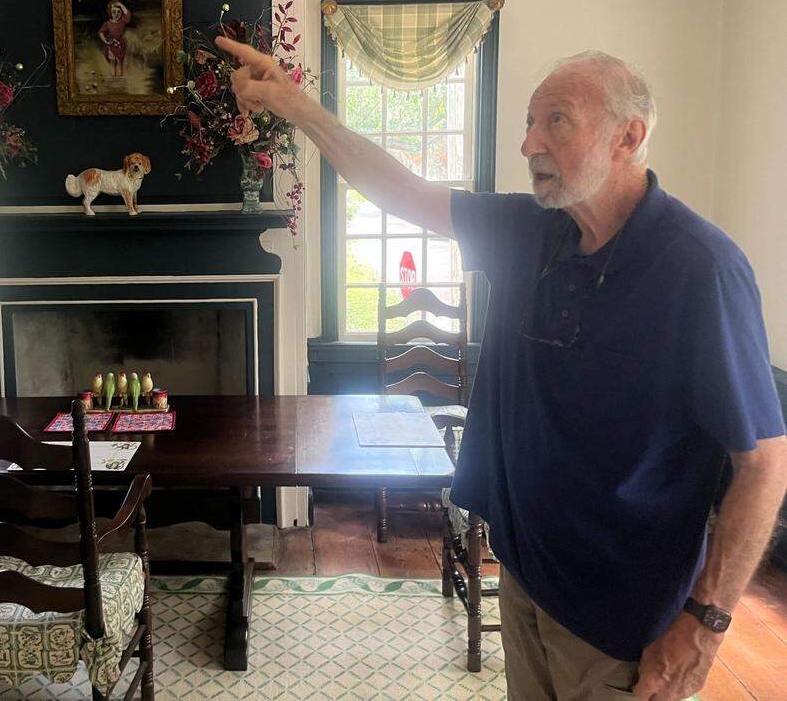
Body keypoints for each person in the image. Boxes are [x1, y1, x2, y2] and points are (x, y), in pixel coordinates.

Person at [217, 35, 787, 701]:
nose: (528, 144)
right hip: (521, 577)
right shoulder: (530, 227)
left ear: (627, 136)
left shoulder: (701, 268)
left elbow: (764, 462)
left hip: (620, 622)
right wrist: (295, 106)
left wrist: (707, 622)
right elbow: (399, 190)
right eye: (527, 121)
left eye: (556, 121)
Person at [98, 0, 131, 77]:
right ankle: (113, 80)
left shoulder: (122, 21)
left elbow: (128, 15)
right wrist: (105, 41)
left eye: (119, 12)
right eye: (114, 12)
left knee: (120, 62)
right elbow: (100, 32)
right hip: (111, 45)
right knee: (112, 62)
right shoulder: (108, 23)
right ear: (110, 13)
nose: (117, 14)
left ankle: (120, 81)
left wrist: (121, 5)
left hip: (121, 45)